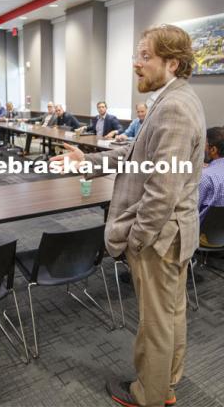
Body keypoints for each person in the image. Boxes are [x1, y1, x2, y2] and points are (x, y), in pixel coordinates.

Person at [51, 24, 205, 407]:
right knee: (169, 316)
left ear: (172, 62)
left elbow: (162, 192)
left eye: (145, 56)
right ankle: (165, 384)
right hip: (172, 235)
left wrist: (135, 241)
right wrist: (85, 159)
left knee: (155, 324)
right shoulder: (174, 99)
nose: (136, 64)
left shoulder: (174, 109)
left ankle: (148, 394)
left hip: (159, 239)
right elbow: (134, 155)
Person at [198, 126, 224, 246]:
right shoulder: (208, 173)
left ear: (213, 149)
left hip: (204, 235)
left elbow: (192, 210)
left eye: (205, 143)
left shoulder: (205, 177)